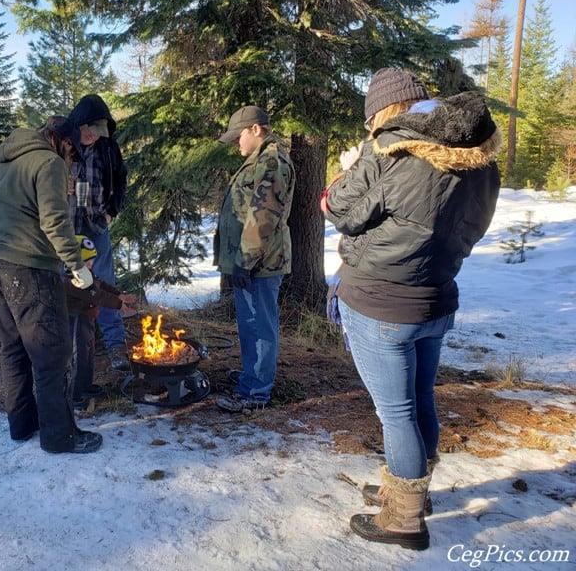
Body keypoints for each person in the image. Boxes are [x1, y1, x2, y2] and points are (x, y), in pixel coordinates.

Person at [322, 68, 501, 550]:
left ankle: (402, 519)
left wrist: (351, 164)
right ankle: (411, 491)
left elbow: (338, 208)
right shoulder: (480, 159)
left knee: (396, 413)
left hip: (381, 302)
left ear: (383, 112)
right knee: (420, 400)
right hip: (437, 297)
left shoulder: (390, 150)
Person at [0, 116, 103, 454]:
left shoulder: (3, 160)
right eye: (71, 154)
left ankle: (22, 426)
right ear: (62, 141)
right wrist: (76, 265)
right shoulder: (48, 161)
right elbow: (54, 221)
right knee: (52, 354)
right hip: (31, 271)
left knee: (14, 350)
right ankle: (60, 436)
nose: (70, 165)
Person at [214, 105, 295, 413]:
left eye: (239, 136)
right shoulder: (259, 160)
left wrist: (245, 262)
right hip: (252, 260)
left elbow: (263, 218)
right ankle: (253, 376)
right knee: (251, 324)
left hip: (260, 263)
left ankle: (256, 392)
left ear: (256, 129)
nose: (236, 143)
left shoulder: (271, 162)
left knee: (259, 326)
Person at [68, 94, 130, 372]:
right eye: (91, 131)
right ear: (79, 125)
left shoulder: (108, 147)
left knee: (104, 280)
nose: (94, 137)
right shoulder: (62, 145)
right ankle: (72, 344)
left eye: (100, 132)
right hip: (66, 227)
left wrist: (111, 212)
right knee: (69, 282)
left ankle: (115, 344)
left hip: (97, 225)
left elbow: (120, 179)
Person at [65, 235, 137, 410]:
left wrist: (118, 293)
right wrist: (119, 305)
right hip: (75, 320)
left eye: (92, 260)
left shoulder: (86, 272)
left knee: (88, 354)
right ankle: (74, 396)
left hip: (88, 318)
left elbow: (101, 285)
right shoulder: (73, 278)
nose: (90, 264)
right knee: (78, 356)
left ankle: (86, 386)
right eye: (87, 261)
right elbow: (97, 295)